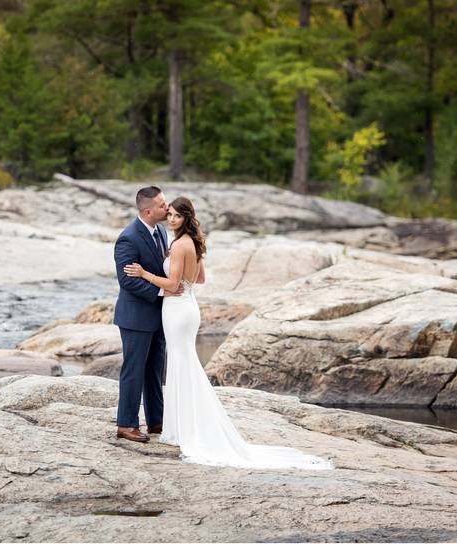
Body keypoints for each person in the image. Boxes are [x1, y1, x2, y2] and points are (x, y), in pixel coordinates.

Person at [124, 197, 332, 470]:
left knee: (181, 364)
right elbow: (199, 279)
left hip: (176, 309)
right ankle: (178, 425)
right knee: (182, 362)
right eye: (170, 215)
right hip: (188, 306)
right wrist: (181, 281)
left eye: (176, 216)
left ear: (186, 218)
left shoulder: (177, 245)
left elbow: (173, 284)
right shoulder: (194, 243)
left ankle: (182, 429)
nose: (171, 219)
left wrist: (144, 273)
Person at [113, 186, 181, 443]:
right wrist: (164, 294)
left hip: (159, 316)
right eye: (163, 205)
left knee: (154, 370)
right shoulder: (128, 238)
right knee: (134, 370)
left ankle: (156, 421)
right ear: (149, 210)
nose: (168, 207)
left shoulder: (161, 231)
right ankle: (126, 424)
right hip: (136, 317)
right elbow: (127, 281)